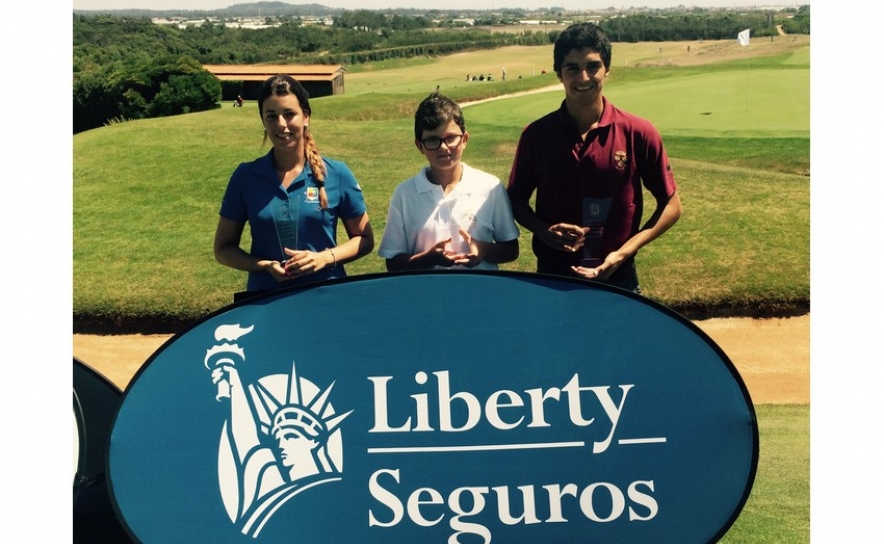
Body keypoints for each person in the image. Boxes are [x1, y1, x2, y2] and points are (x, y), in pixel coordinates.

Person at [506, 23, 681, 294]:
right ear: (559, 74)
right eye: (572, 68)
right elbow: (516, 200)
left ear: (607, 69)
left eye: (593, 66)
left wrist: (623, 254)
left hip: (619, 277)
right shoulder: (536, 135)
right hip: (554, 277)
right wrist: (543, 231)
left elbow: (671, 205)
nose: (584, 77)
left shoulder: (638, 131)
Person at [214, 74, 374, 298]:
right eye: (271, 116)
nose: (281, 124)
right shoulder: (246, 177)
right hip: (266, 301)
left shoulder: (336, 173)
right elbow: (223, 249)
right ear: (263, 120)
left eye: (289, 114)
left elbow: (365, 239)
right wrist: (263, 266)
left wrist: (324, 258)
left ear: (305, 116)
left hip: (327, 297)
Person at [378, 92, 519, 271]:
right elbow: (393, 261)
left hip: (480, 293)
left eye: (450, 138)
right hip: (425, 295)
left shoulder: (490, 188)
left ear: (465, 139)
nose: (443, 147)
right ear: (419, 145)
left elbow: (511, 249)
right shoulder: (405, 194)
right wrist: (427, 259)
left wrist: (483, 250)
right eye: (432, 140)